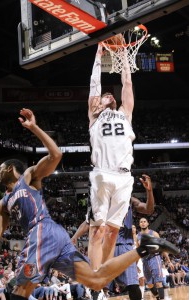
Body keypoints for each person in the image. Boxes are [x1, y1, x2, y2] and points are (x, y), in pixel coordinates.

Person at [0, 108, 179, 300]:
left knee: (18, 292)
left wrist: (34, 128)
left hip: (42, 231)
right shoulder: (2, 204)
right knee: (96, 281)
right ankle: (145, 248)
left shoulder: (28, 176)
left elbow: (56, 155)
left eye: (0, 168)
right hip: (56, 237)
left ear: (11, 168)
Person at [88, 42, 135, 270]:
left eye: (109, 95)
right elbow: (94, 86)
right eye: (103, 96)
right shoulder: (94, 115)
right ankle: (94, 277)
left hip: (124, 177)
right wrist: (98, 55)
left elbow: (127, 83)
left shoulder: (125, 113)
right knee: (98, 229)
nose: (106, 95)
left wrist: (124, 55)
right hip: (102, 174)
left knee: (114, 231)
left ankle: (103, 276)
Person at [72, 174, 154, 300]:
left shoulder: (129, 200)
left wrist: (149, 191)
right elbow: (89, 222)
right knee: (99, 286)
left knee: (132, 285)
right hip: (105, 247)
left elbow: (148, 209)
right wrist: (75, 236)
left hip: (124, 247)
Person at [137, 218, 175, 300]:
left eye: (144, 221)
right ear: (139, 224)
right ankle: (158, 297)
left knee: (158, 282)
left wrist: (169, 261)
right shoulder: (138, 236)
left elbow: (163, 248)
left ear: (147, 223)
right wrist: (136, 264)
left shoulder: (154, 233)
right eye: (141, 222)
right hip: (144, 260)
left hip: (155, 258)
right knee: (150, 284)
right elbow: (137, 251)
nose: (143, 223)